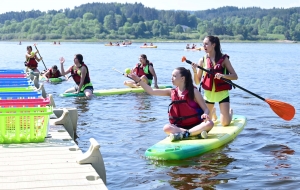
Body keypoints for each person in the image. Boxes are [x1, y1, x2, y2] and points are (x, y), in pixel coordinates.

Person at [130, 67, 214, 141]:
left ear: (182, 78)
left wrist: (205, 114)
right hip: (180, 127)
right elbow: (151, 91)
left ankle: (186, 134)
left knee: (210, 123)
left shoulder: (193, 91)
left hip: (197, 124)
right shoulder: (171, 92)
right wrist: (138, 80)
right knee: (166, 128)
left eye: (174, 76)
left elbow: (205, 109)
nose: (171, 78)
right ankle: (193, 134)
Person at [191, 35, 238, 126]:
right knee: (205, 123)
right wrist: (194, 71)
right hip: (208, 95)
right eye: (203, 44)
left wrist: (223, 76)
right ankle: (213, 112)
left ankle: (230, 113)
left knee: (225, 123)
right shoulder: (202, 60)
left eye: (206, 44)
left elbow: (235, 76)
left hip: (222, 94)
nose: (204, 46)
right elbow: (197, 82)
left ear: (213, 45)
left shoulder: (224, 59)